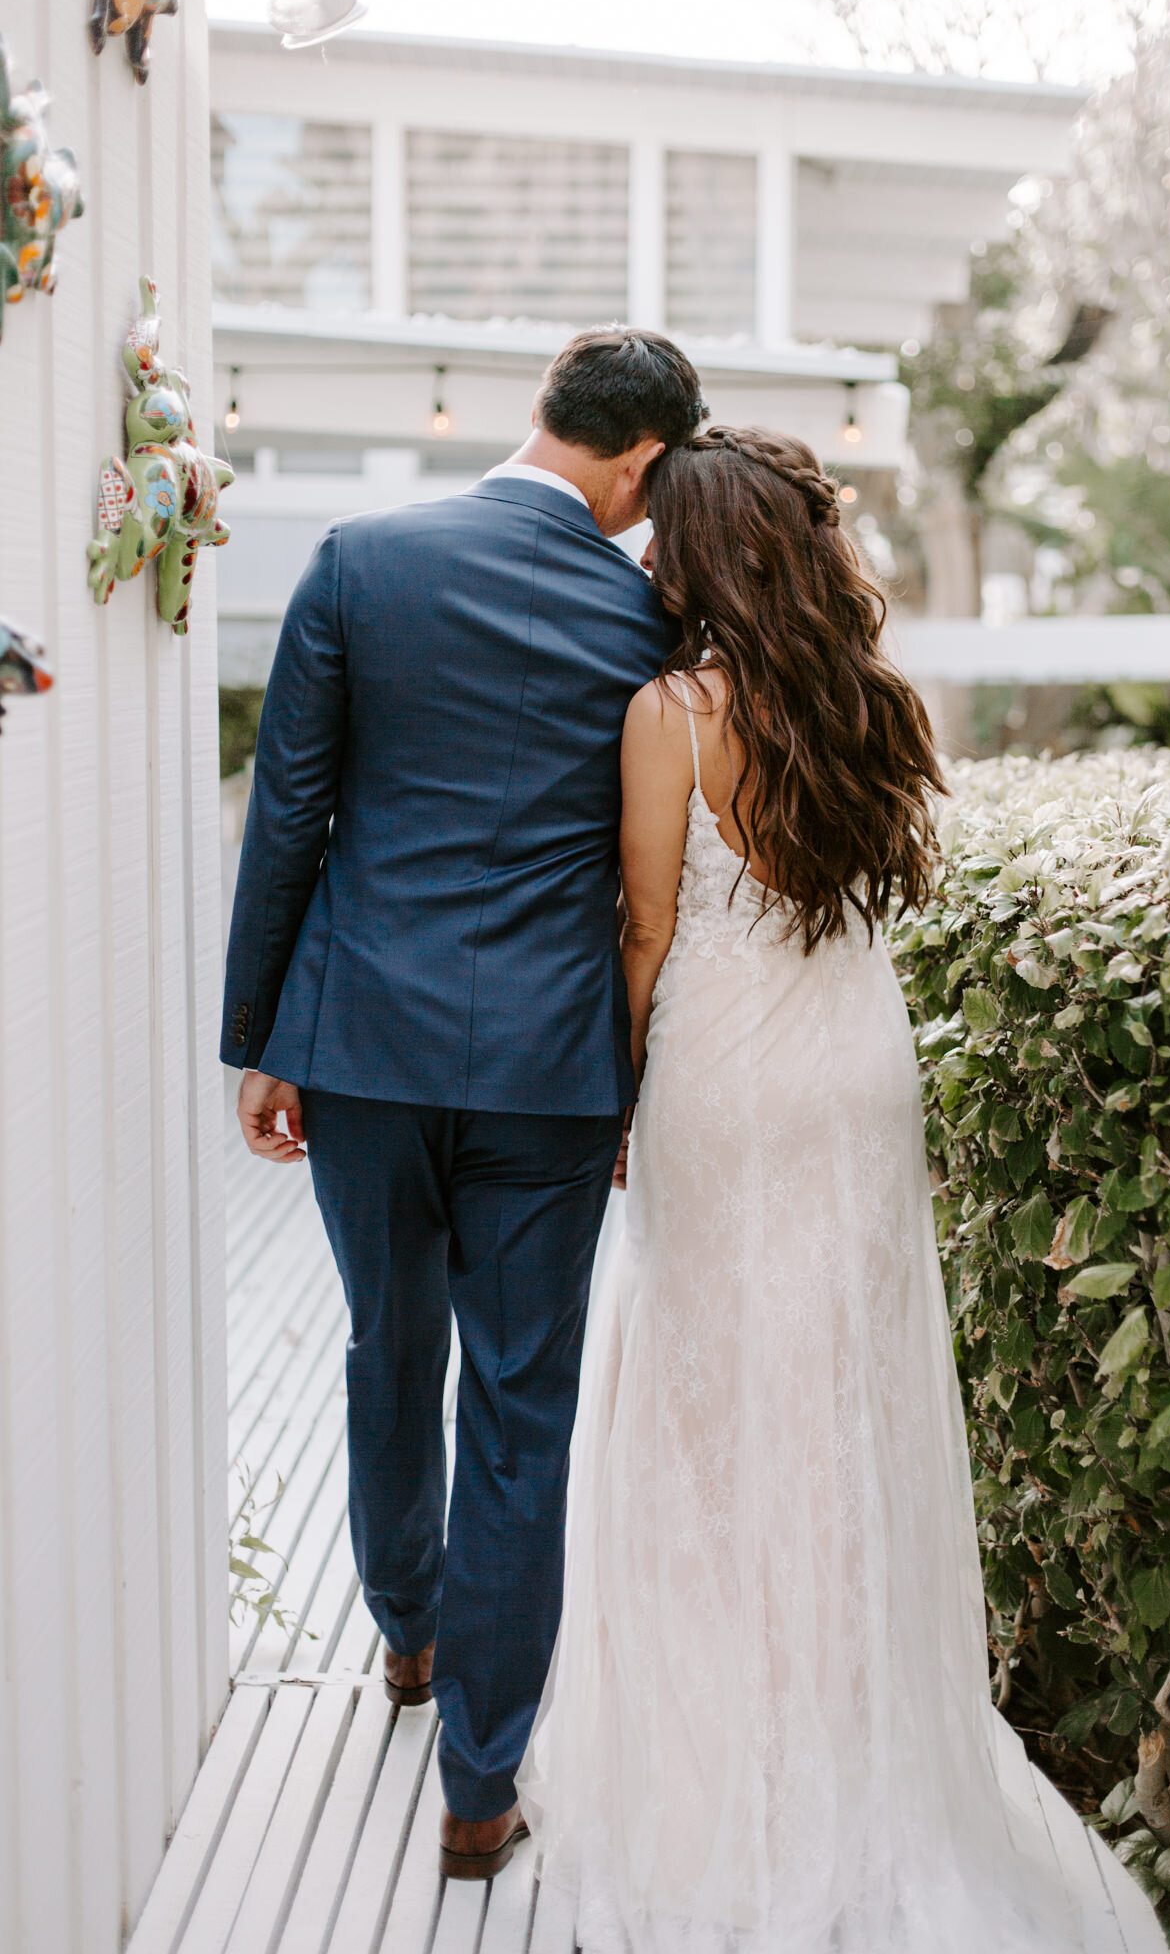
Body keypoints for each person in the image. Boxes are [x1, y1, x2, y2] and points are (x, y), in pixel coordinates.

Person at [517, 427, 1146, 1950]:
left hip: (727, 1082)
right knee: (841, 1405)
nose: (648, 560)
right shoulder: (869, 697)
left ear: (704, 552)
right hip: (858, 1073)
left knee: (711, 1402)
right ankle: (862, 1747)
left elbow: (651, 928)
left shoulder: (669, 711)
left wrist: (607, 1088)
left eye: (664, 538)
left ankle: (738, 1765)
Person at [220, 328, 707, 1880]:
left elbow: (290, 807)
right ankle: (481, 1786)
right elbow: (663, 865)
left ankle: (408, 1634)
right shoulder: (650, 616)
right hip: (552, 1073)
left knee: (389, 1341)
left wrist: (262, 1037)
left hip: (361, 1043)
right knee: (520, 1409)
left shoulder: (361, 560)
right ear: (639, 462)